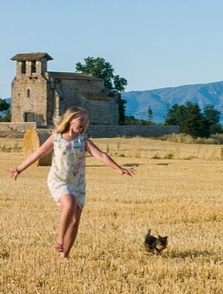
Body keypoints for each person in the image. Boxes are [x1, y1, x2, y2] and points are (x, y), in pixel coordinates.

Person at [8, 107, 135, 259]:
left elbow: (101, 155)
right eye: (81, 119)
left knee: (75, 221)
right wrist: (19, 169)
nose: (84, 123)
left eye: (86, 121)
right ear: (71, 120)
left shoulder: (83, 141)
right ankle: (60, 239)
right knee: (70, 203)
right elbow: (38, 154)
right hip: (58, 180)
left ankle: (64, 256)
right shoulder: (56, 138)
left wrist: (118, 168)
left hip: (78, 183)